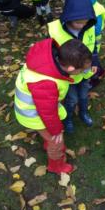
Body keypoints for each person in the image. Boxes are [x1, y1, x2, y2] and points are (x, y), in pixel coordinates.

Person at [14, 38, 92, 174]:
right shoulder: (47, 83)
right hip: (32, 114)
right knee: (57, 142)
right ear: (71, 68)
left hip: (37, 106)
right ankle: (56, 166)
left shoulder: (47, 61)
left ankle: (47, 141)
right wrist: (56, 131)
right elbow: (47, 113)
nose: (83, 72)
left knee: (52, 135)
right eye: (82, 70)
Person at [48, 0, 97, 133]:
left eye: (85, 22)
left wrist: (95, 62)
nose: (82, 25)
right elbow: (51, 55)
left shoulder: (90, 27)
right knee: (71, 99)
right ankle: (68, 119)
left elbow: (93, 47)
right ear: (68, 17)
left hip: (85, 73)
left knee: (83, 96)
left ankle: (83, 113)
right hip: (67, 77)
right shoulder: (54, 30)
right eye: (78, 22)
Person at [70, 0, 105, 86]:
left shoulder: (97, 9)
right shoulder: (81, 5)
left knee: (90, 60)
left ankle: (96, 76)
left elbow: (97, 30)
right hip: (85, 40)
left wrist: (83, 26)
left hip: (92, 42)